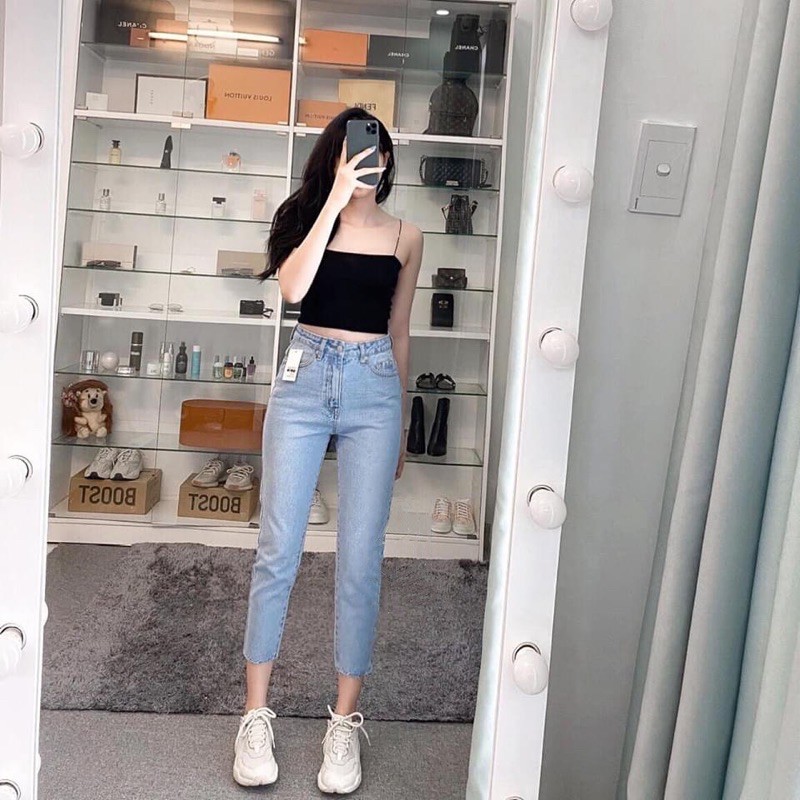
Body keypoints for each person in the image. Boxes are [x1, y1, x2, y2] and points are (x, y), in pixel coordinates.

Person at [232, 107, 424, 795]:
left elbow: (399, 331)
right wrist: (335, 201)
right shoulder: (303, 218)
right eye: (353, 152)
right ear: (333, 158)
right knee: (277, 549)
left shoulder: (407, 236)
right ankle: (255, 715)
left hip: (375, 387)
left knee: (360, 560)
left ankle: (342, 725)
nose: (367, 162)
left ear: (388, 160)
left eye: (376, 153)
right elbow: (293, 289)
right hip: (305, 377)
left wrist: (402, 424)